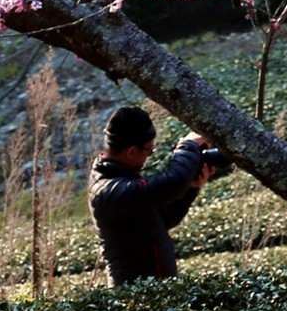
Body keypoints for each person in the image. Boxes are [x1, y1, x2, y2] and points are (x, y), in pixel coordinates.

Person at [88, 105, 228, 285]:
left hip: (152, 290)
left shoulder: (117, 178)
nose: (149, 156)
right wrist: (188, 146)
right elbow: (172, 184)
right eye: (149, 151)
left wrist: (192, 187)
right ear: (131, 151)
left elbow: (164, 218)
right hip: (135, 298)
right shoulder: (110, 192)